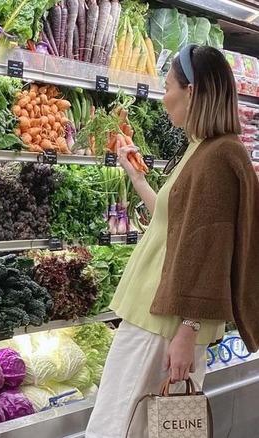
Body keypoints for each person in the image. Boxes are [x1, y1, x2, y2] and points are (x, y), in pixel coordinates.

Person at [85, 45, 259, 438]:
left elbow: (212, 251)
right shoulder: (203, 148)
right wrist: (139, 181)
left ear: (192, 92)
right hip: (158, 313)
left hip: (165, 321)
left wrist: (187, 331)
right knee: (146, 427)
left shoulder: (218, 156)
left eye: (168, 87)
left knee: (118, 426)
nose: (164, 98)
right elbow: (177, 224)